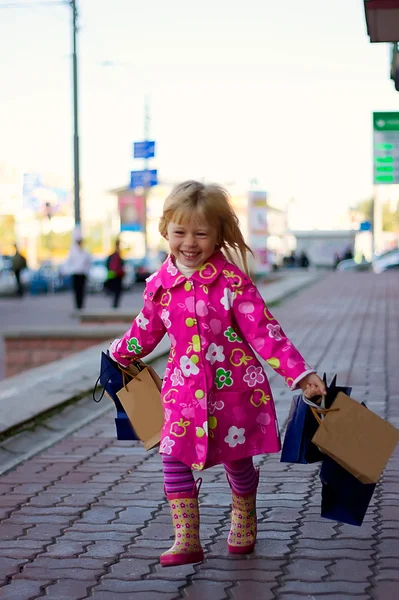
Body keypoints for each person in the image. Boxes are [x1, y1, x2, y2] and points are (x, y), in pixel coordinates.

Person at [108, 180, 326, 567]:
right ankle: (186, 537)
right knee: (172, 456)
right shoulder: (160, 286)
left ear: (218, 235)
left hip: (236, 389)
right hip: (182, 391)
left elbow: (264, 331)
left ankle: (244, 513)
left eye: (201, 233)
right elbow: (146, 329)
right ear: (165, 231)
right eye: (180, 232)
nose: (189, 242)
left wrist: (300, 373)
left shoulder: (232, 282)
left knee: (237, 458)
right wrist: (120, 353)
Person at [63, 233, 92, 310]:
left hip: (82, 274)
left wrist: (87, 271)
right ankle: (77, 306)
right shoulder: (73, 252)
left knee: (82, 291)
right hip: (75, 274)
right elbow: (68, 262)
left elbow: (89, 263)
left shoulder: (86, 252)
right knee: (76, 291)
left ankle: (81, 306)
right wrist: (68, 271)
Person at [105, 239, 125, 309]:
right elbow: (122, 265)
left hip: (113, 275)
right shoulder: (118, 255)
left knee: (115, 290)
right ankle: (115, 304)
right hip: (118, 275)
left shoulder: (112, 256)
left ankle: (115, 304)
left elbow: (107, 265)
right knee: (117, 291)